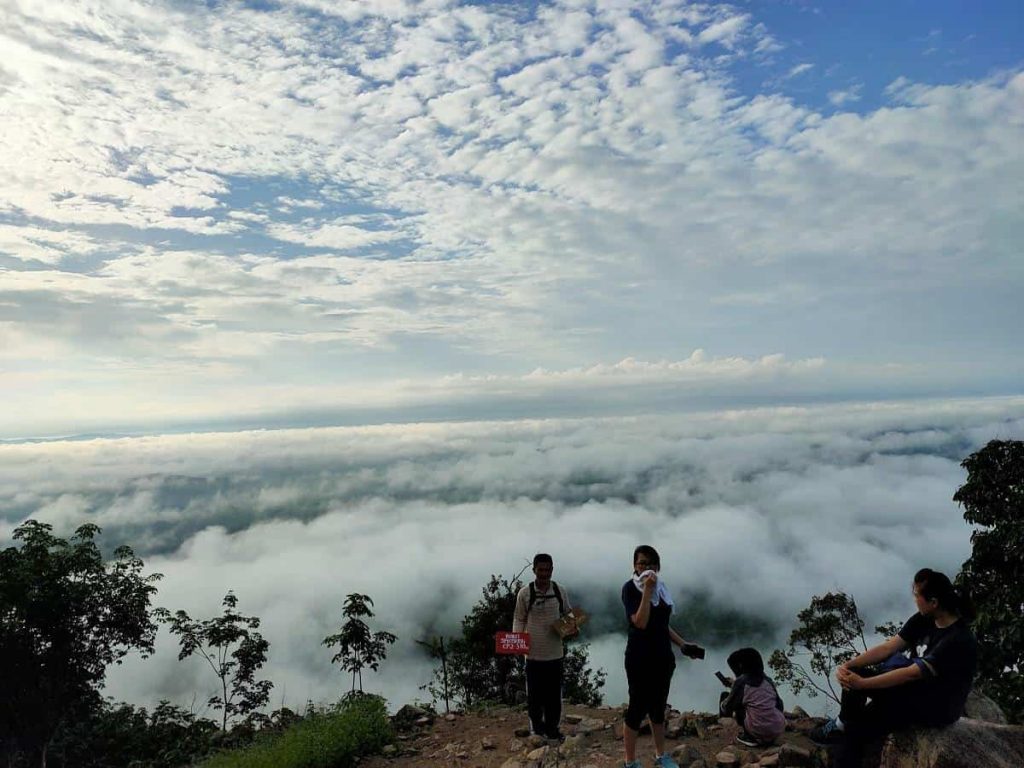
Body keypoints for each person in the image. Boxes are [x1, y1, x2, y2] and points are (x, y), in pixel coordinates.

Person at [810, 568, 977, 768]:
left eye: (917, 595)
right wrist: (849, 665)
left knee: (858, 728)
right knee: (856, 685)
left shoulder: (957, 639)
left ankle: (844, 731)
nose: (915, 600)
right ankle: (842, 724)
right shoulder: (924, 620)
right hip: (912, 692)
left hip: (934, 706)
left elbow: (910, 674)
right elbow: (889, 647)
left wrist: (862, 684)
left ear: (934, 602)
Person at [621, 545, 702, 768]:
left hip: (662, 657)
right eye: (642, 563)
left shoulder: (662, 590)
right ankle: (630, 761)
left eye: (651, 564)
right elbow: (640, 622)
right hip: (639, 657)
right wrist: (647, 591)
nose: (647, 568)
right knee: (636, 707)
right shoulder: (630, 589)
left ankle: (661, 755)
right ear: (634, 566)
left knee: (658, 707)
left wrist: (683, 645)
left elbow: (662, 625)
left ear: (658, 566)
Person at [512, 553, 574, 741]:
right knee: (535, 698)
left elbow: (568, 613)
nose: (544, 573)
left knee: (554, 697)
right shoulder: (525, 593)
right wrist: (517, 642)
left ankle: (553, 730)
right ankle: (537, 731)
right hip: (533, 655)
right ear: (534, 570)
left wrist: (573, 627)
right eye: (541, 570)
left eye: (547, 570)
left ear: (552, 570)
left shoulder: (559, 590)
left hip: (555, 653)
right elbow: (519, 618)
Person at [718, 647, 786, 747]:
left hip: (757, 730)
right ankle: (767, 735)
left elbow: (727, 706)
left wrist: (723, 704)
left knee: (727, 697)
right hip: (777, 729)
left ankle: (750, 737)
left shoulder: (741, 682)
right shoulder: (767, 680)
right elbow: (780, 705)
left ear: (742, 666)